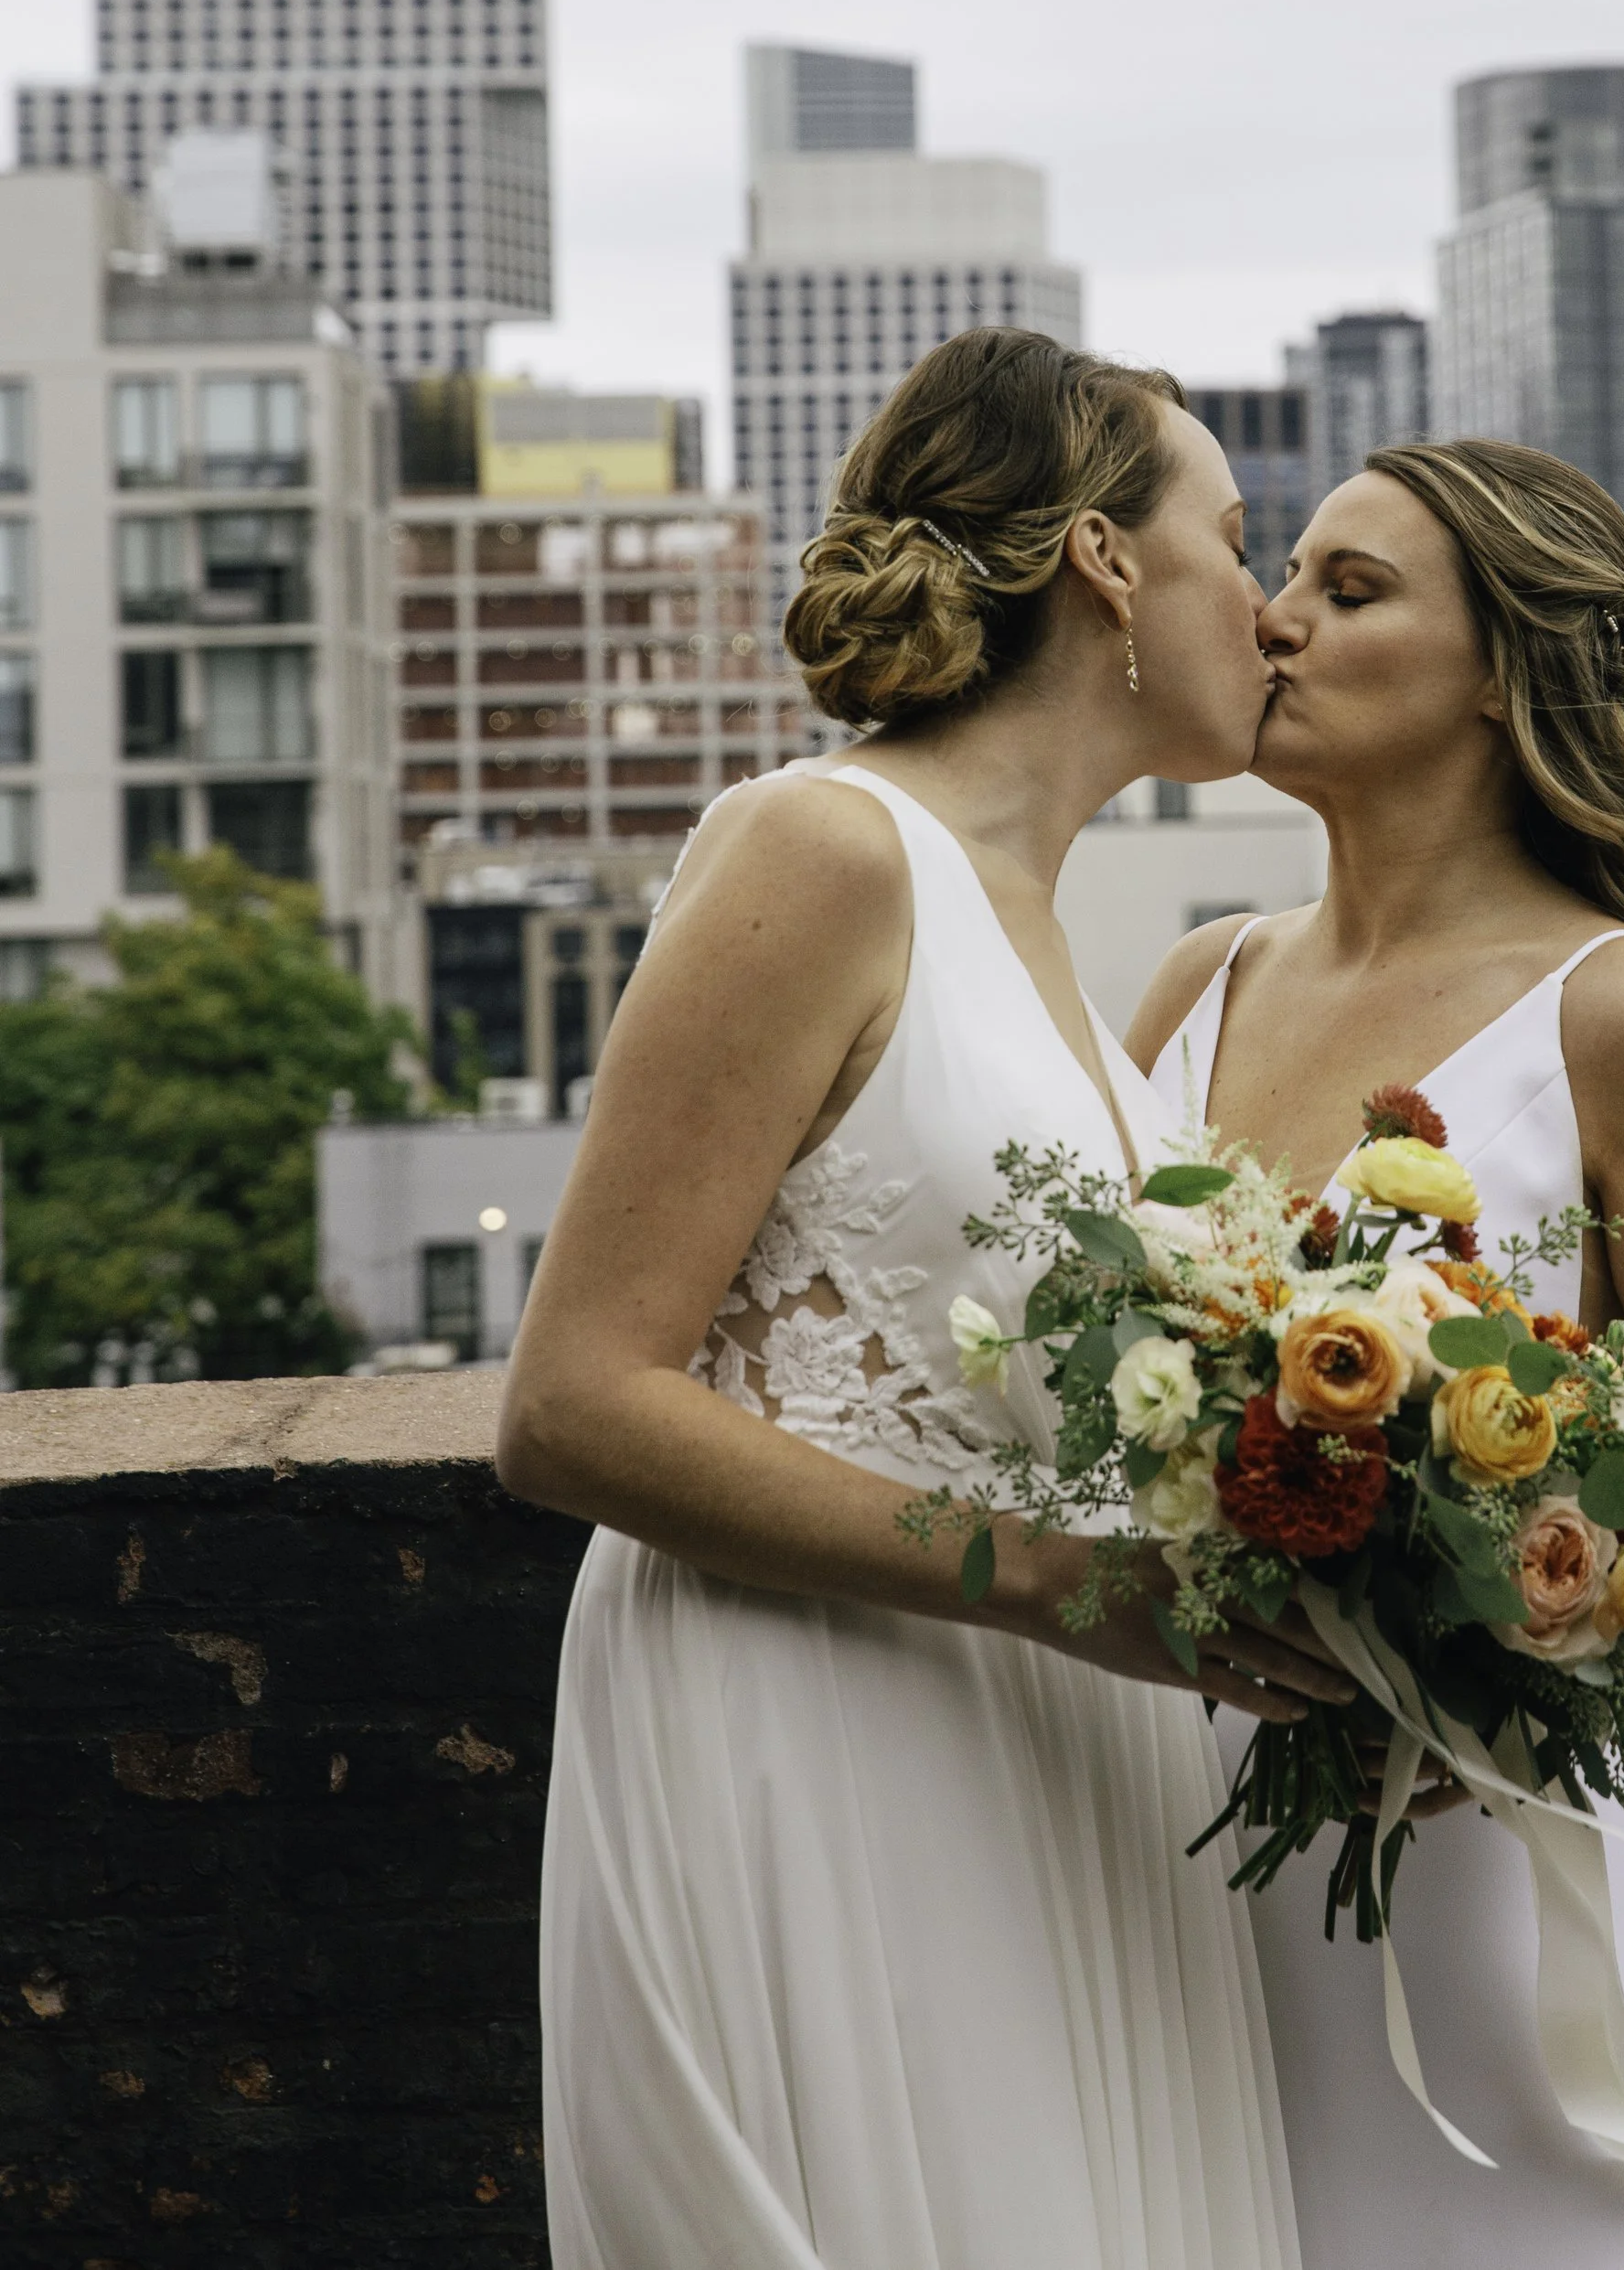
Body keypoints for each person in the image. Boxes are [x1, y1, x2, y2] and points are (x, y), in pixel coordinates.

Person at [500, 329, 1348, 2270]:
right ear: (1105, 564)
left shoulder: (1054, 935)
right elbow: (569, 1401)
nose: (1274, 605)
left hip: (1052, 1754)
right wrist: (1060, 1587)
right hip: (821, 1730)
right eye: (1241, 537)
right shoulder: (821, 845)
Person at [1127, 436, 1624, 2267]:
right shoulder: (1193, 981)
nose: (1274, 619)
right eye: (1283, 572)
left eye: (1350, 591)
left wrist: (1561, 1678)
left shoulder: (1619, 1016)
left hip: (1471, 1859)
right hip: (1142, 1838)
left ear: (1504, 670)